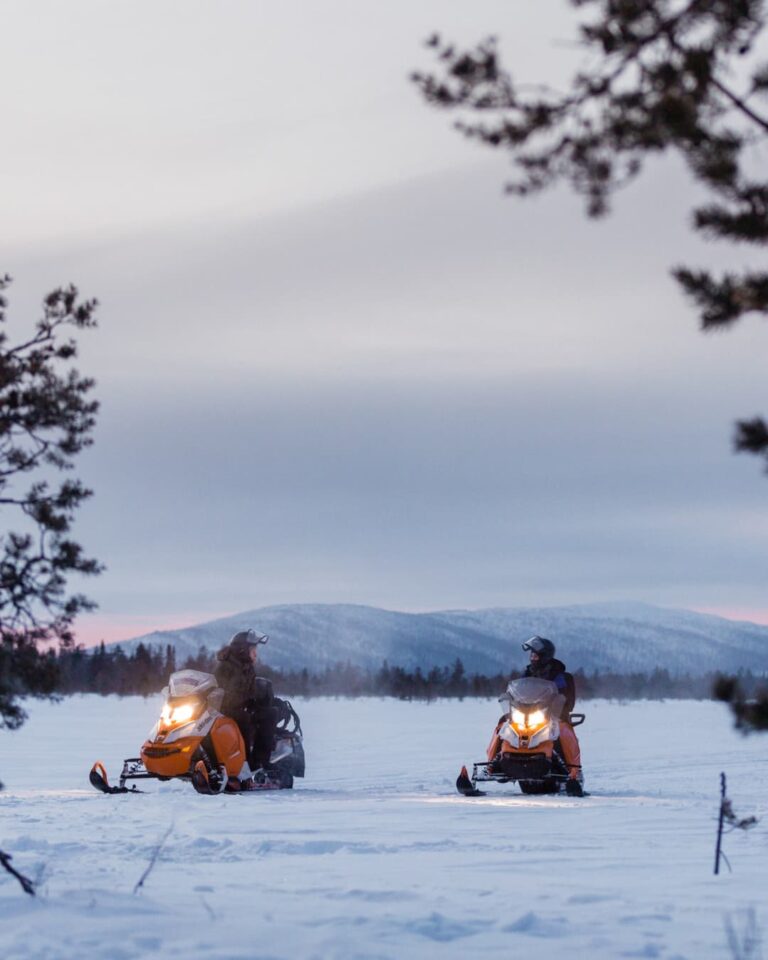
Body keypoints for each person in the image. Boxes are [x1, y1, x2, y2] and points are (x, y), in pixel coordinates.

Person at [521, 635, 583, 787]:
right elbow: (520, 689)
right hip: (528, 713)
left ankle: (572, 771)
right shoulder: (528, 672)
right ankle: (491, 765)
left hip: (554, 713)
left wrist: (557, 702)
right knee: (503, 723)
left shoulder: (557, 673)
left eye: (535, 655)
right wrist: (509, 697)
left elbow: (562, 693)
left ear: (544, 656)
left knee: (560, 729)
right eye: (531, 655)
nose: (532, 658)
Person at [214, 629, 278, 771]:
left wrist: (260, 699)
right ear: (242, 650)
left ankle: (261, 761)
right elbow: (223, 693)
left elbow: (249, 690)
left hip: (240, 707)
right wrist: (247, 700)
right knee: (245, 719)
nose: (256, 653)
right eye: (253, 649)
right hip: (226, 710)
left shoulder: (246, 667)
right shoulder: (226, 667)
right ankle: (247, 763)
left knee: (271, 713)